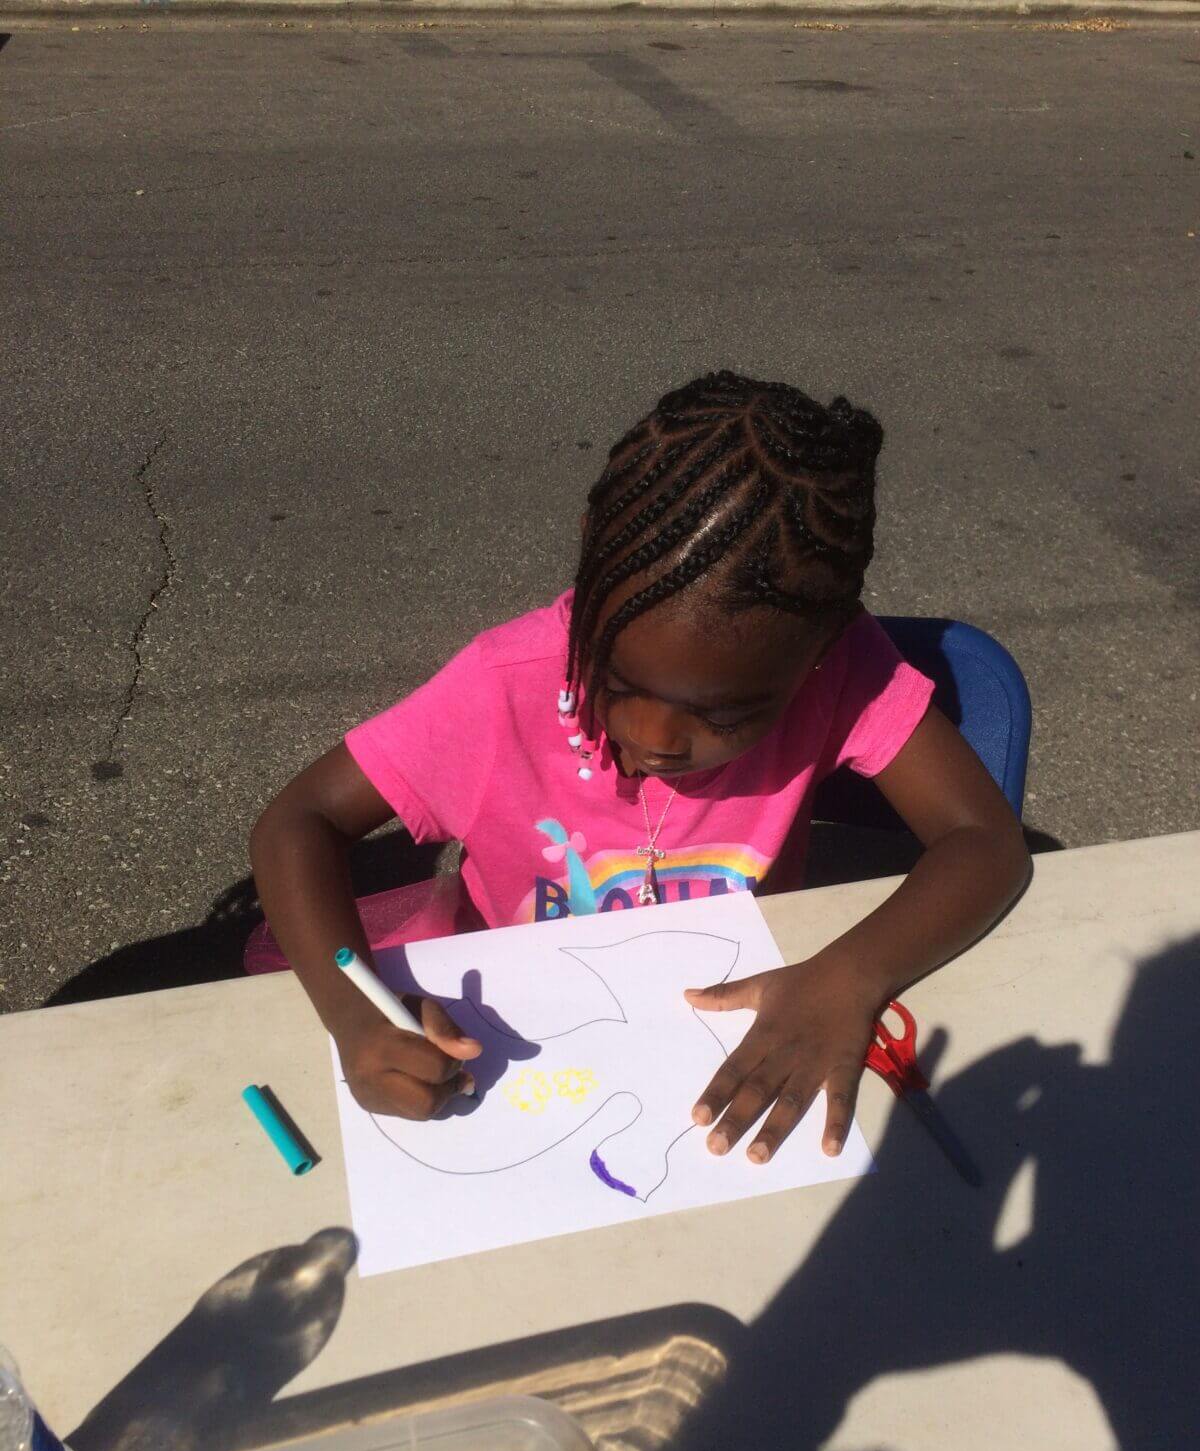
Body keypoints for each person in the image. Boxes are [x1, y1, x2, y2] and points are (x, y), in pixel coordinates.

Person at [250, 371, 1029, 1163]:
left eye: (724, 716)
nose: (655, 740)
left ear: (823, 652)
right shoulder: (500, 689)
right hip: (503, 1044)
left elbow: (987, 843)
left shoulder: (847, 667)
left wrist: (849, 977)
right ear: (590, 562)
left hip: (732, 1034)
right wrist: (355, 1018)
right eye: (618, 683)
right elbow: (298, 823)